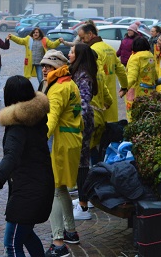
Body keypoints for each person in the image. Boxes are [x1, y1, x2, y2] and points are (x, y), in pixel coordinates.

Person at [0, 75, 54, 257]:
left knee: (11, 244)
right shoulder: (37, 118)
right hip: (40, 185)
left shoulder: (18, 126)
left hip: (28, 192)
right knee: (25, 234)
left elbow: (11, 156)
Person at [38, 50, 83, 257]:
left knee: (55, 190)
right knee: (62, 187)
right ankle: (71, 232)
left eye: (48, 66)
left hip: (59, 144)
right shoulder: (70, 83)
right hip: (71, 142)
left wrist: (37, 141)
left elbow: (51, 118)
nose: (44, 69)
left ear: (58, 67)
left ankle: (58, 243)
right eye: (43, 66)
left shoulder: (57, 89)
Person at [67, 43, 99, 221]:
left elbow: (84, 105)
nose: (69, 54)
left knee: (82, 163)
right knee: (81, 163)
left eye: (72, 52)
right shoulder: (79, 72)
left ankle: (84, 205)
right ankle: (82, 198)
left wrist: (75, 121)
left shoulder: (83, 75)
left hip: (81, 125)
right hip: (81, 123)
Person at [78, 23, 128, 124]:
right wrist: (124, 87)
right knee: (110, 130)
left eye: (82, 38)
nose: (82, 41)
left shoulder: (92, 51)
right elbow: (121, 70)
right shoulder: (109, 49)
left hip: (98, 99)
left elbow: (98, 74)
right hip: (111, 99)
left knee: (98, 133)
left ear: (90, 34)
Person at [120, 37, 157, 122]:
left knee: (134, 115)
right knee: (147, 115)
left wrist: (124, 88)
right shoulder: (150, 56)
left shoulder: (135, 58)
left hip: (136, 91)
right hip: (150, 90)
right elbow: (154, 73)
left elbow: (132, 77)